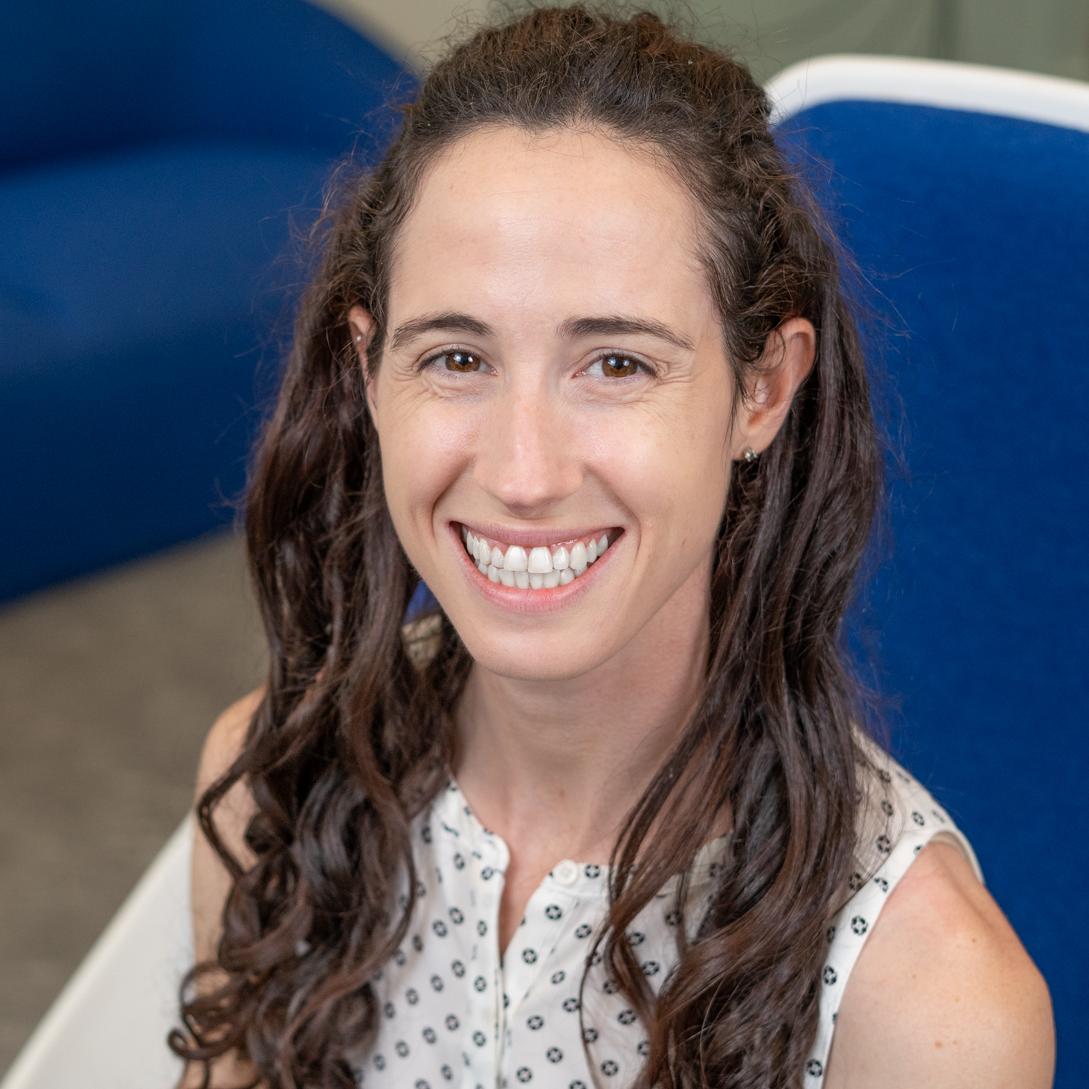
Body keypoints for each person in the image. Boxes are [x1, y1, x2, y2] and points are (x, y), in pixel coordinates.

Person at [170, 4, 1055, 1087]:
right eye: (455, 357)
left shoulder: (930, 1003)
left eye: (618, 365)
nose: (522, 473)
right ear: (368, 371)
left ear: (762, 391)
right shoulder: (274, 788)